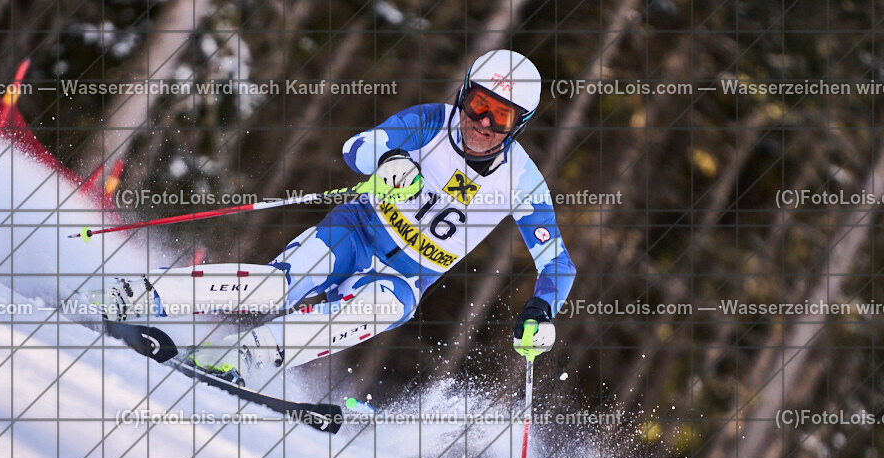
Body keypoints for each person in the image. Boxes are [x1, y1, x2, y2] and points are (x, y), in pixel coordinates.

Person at [100, 49, 576, 387]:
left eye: (502, 118)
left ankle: (245, 355)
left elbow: (557, 263)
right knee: (279, 286)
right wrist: (388, 163)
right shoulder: (431, 121)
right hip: (356, 231)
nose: (484, 125)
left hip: (407, 276)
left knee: (381, 308)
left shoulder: (522, 181)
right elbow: (359, 147)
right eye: (479, 107)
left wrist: (541, 310)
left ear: (520, 126)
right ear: (465, 97)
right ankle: (143, 294)